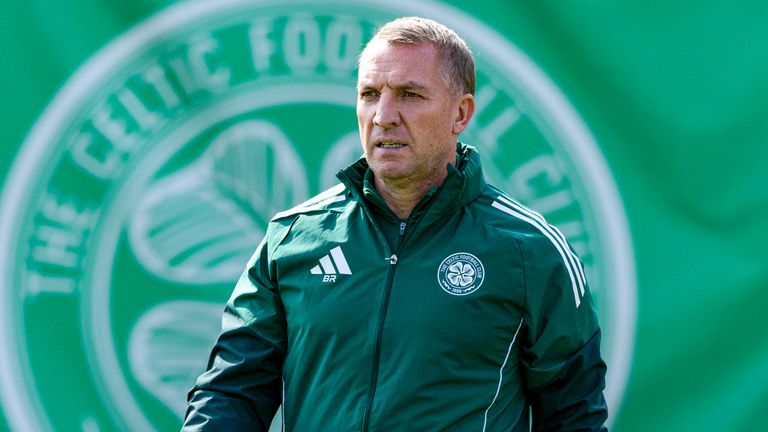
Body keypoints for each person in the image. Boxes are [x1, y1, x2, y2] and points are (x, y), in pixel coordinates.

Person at [182, 16, 608, 431]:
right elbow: (231, 393)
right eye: (370, 94)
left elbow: (574, 416)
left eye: (409, 95)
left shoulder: (530, 249)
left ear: (461, 114)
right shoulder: (292, 238)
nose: (384, 115)